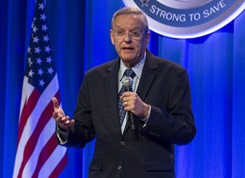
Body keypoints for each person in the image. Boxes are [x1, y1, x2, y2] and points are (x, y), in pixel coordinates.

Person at [52, 7, 196, 178]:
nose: (127, 39)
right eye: (120, 32)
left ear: (146, 38)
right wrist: (65, 128)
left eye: (135, 33)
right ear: (112, 37)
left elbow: (185, 131)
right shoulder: (94, 78)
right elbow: (84, 132)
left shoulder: (172, 75)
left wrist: (147, 112)